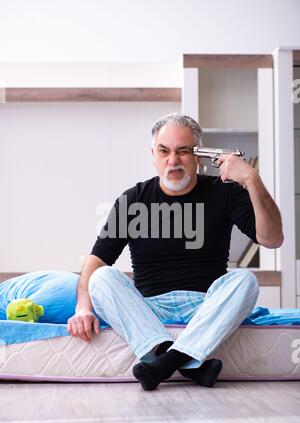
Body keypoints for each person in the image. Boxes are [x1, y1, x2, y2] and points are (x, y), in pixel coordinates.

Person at [67, 113, 284, 391]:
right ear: (153, 155)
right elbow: (97, 261)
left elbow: (273, 238)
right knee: (102, 277)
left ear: (197, 157)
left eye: (183, 151)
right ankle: (188, 361)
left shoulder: (225, 192)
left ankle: (165, 361)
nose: (173, 160)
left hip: (206, 305)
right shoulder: (134, 199)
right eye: (164, 151)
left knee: (245, 281)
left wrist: (252, 180)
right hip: (150, 309)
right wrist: (82, 308)